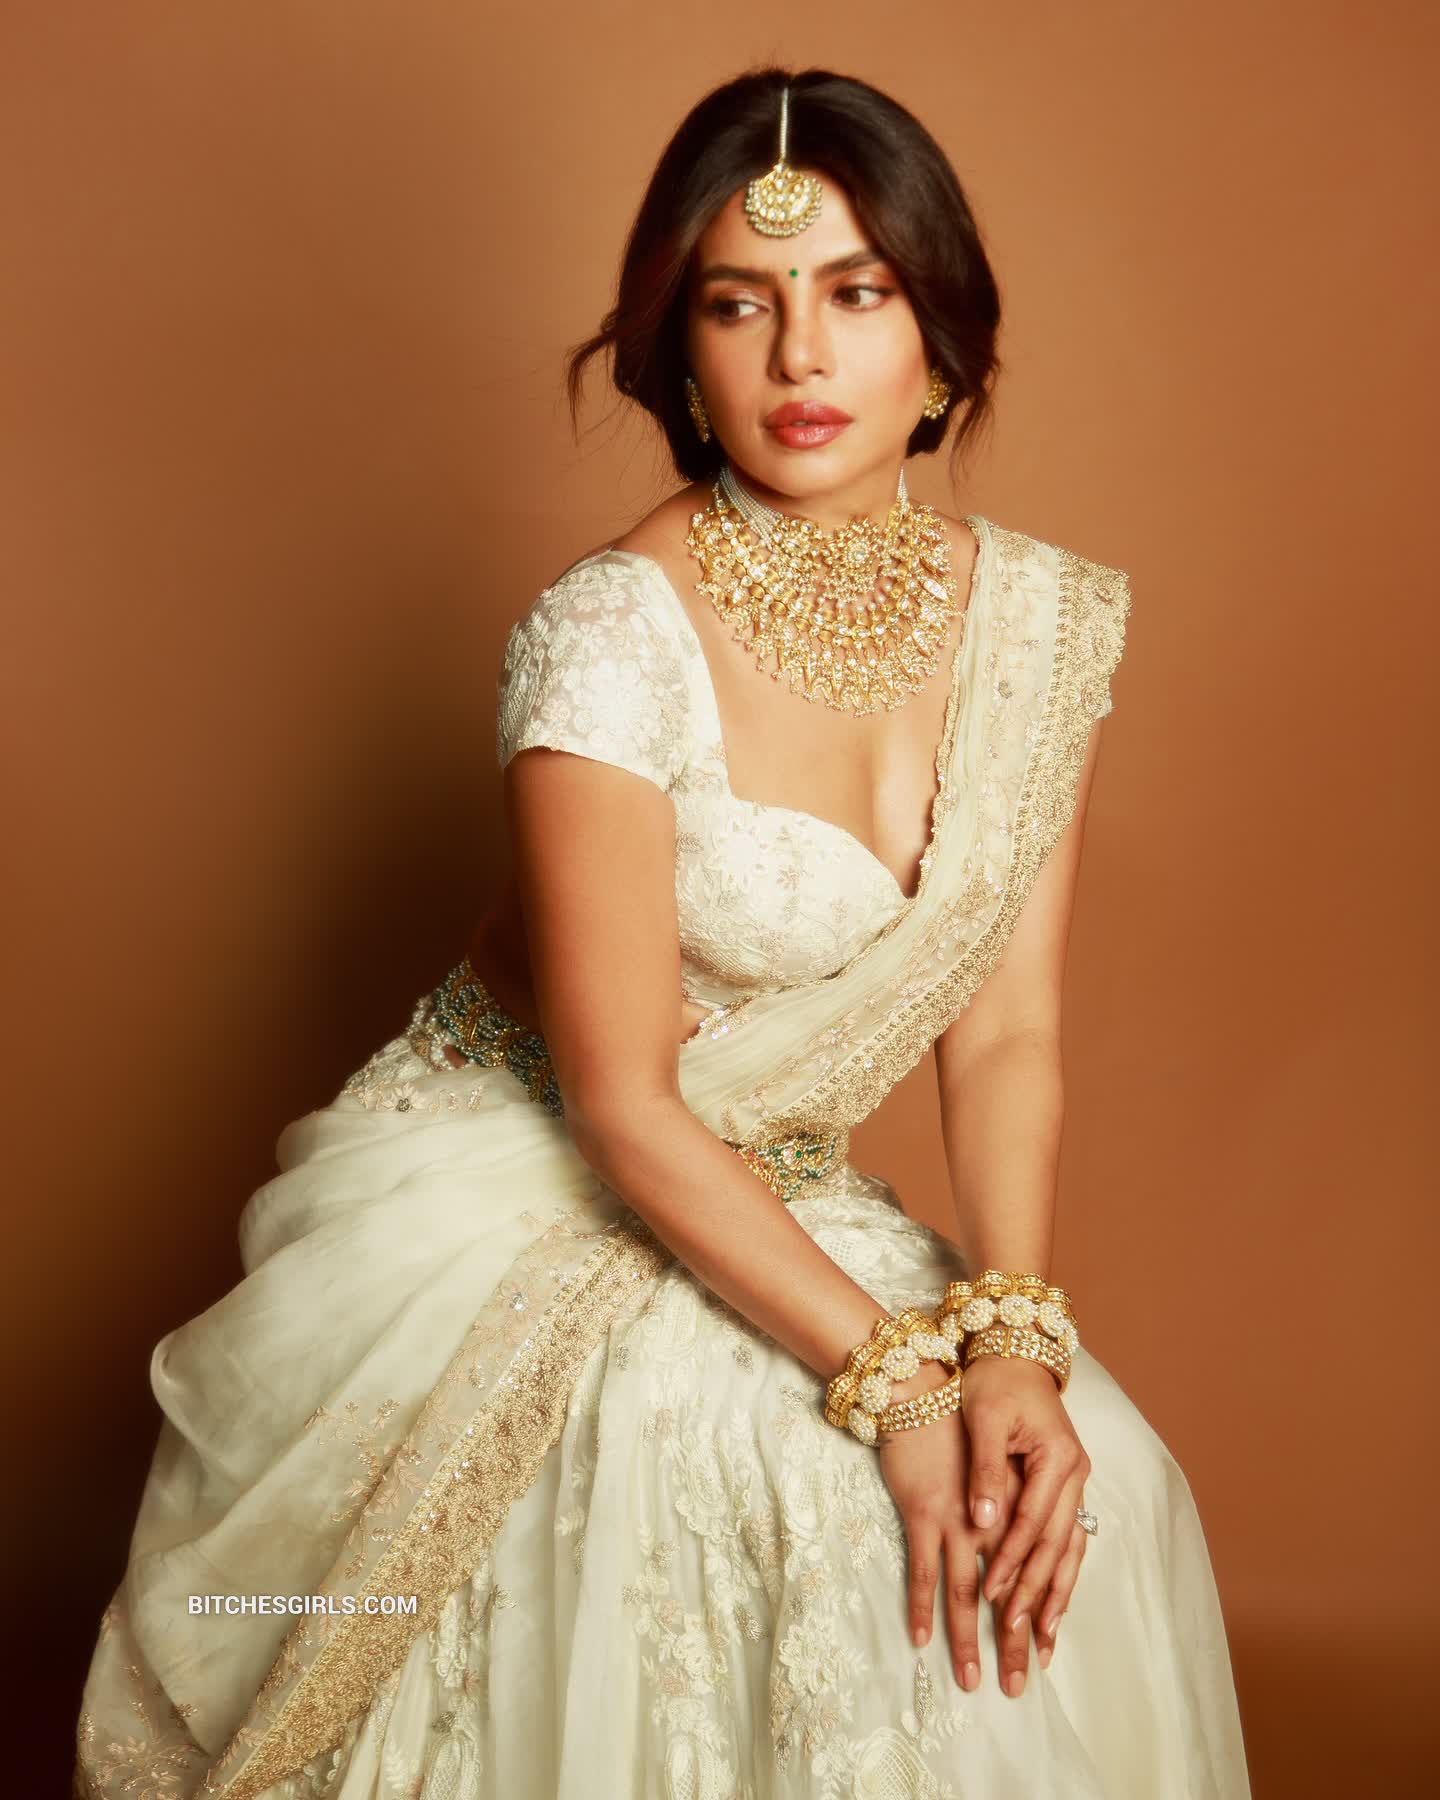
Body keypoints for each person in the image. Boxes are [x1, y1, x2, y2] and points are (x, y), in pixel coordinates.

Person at [74, 66, 1250, 1800]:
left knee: (1099, 1483)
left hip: (774, 1181)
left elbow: (1005, 1032)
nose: (800, 357)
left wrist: (1010, 1337)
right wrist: (896, 1384)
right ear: (680, 354)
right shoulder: (609, 633)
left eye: (856, 294)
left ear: (942, 340)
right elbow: (624, 1102)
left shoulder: (1037, 629)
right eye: (739, 304)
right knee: (839, 1513)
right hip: (531, 1186)